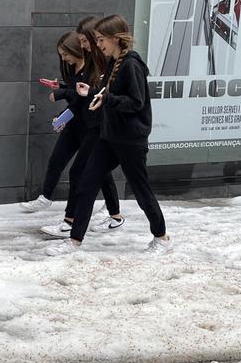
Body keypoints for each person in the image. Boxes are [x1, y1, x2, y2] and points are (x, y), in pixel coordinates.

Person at [47, 14, 172, 256]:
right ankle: (74, 241)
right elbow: (113, 96)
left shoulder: (131, 65)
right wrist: (92, 92)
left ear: (116, 39)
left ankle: (162, 237)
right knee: (86, 183)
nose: (98, 44)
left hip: (130, 140)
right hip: (109, 137)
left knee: (141, 190)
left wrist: (106, 98)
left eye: (101, 39)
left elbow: (136, 102)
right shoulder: (114, 62)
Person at [20, 20, 120, 225]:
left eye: (86, 41)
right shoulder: (82, 67)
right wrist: (65, 99)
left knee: (88, 173)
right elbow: (80, 96)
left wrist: (61, 94)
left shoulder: (102, 65)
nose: (84, 45)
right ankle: (62, 210)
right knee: (65, 162)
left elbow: (85, 97)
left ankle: (76, 220)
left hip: (95, 126)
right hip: (80, 122)